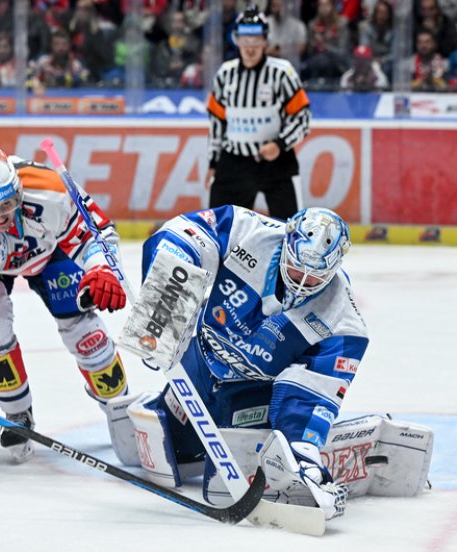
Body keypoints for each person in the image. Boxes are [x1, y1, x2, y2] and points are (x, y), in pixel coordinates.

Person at [114, 206, 369, 519]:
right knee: (169, 452)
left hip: (251, 395)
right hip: (199, 365)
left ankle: (316, 452)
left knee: (242, 463)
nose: (301, 283)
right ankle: (161, 406)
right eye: (296, 269)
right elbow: (180, 235)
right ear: (286, 242)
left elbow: (310, 395)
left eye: (313, 277)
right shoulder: (245, 230)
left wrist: (302, 449)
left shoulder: (343, 323)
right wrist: (163, 305)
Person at [0, 146, 129, 462]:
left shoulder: (49, 189)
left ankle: (121, 409)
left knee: (84, 331)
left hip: (51, 254)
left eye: (7, 203)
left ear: (19, 190)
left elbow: (96, 234)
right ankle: (17, 415)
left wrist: (101, 268)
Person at [206, 5, 311, 222]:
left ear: (265, 41)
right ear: (236, 40)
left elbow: (302, 118)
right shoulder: (225, 74)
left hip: (277, 163)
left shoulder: (282, 73)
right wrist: (213, 164)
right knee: (219, 229)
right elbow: (217, 123)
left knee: (290, 229)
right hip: (233, 162)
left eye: (255, 40)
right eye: (245, 40)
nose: (250, 47)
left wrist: (280, 144)